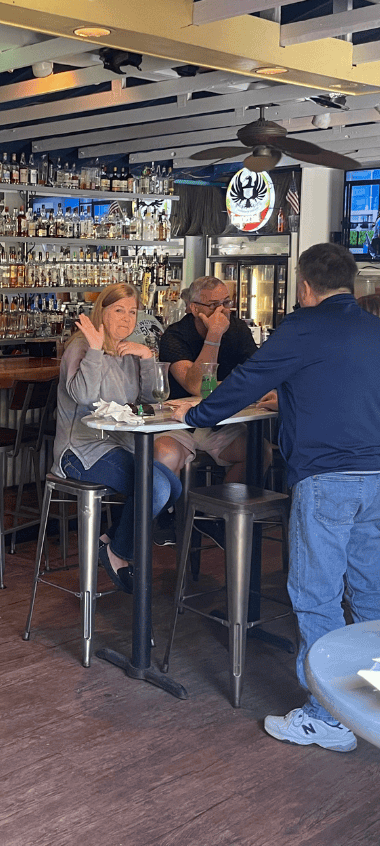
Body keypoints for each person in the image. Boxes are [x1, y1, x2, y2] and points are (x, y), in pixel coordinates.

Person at [170, 243, 380, 753]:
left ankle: (326, 715)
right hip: (376, 476)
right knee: (372, 592)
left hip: (327, 476)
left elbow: (246, 381)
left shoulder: (303, 328)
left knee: (316, 595)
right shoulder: (374, 328)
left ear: (305, 286)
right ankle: (370, 701)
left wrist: (194, 417)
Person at [52, 283, 182, 592]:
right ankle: (117, 553)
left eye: (132, 312)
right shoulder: (81, 347)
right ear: (102, 312)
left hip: (119, 446)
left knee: (173, 487)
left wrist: (147, 356)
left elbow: (151, 398)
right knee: (157, 488)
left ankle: (110, 538)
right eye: (118, 310)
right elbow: (83, 394)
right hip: (80, 453)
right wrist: (95, 350)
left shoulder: (128, 350)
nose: (126, 319)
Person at [155, 275, 263, 484]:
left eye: (226, 303)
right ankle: (170, 516)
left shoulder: (239, 330)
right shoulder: (175, 335)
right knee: (164, 455)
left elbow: (254, 378)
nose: (222, 310)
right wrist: (214, 335)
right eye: (214, 305)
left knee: (259, 453)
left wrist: (221, 389)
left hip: (220, 421)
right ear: (195, 309)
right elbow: (198, 386)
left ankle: (222, 512)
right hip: (177, 423)